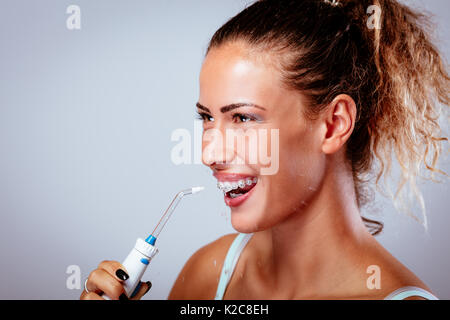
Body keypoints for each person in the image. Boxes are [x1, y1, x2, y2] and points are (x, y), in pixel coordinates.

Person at [81, 0, 449, 300]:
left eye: (242, 118)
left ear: (334, 124)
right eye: (207, 117)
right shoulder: (208, 276)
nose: (209, 154)